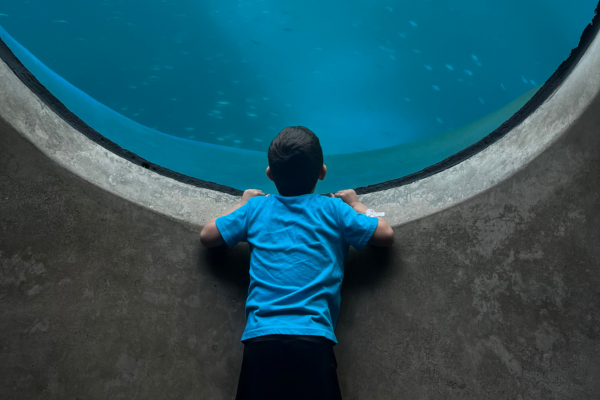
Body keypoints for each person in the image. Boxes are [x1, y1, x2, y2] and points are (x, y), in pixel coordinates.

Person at [200, 126, 394, 399]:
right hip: (313, 339)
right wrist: (358, 205)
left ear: (269, 173)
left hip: (261, 339)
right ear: (322, 172)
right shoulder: (335, 209)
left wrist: (243, 204)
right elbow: (384, 233)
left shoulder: (256, 210)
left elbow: (208, 235)